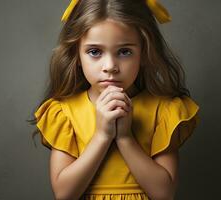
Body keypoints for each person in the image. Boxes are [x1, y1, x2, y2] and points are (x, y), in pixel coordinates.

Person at [28, 0, 200, 199]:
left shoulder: (164, 110)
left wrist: (125, 137)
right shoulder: (64, 112)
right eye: (95, 52)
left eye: (125, 52)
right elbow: (64, 194)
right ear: (77, 54)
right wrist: (102, 135)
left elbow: (164, 194)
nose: (110, 66)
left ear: (144, 53)